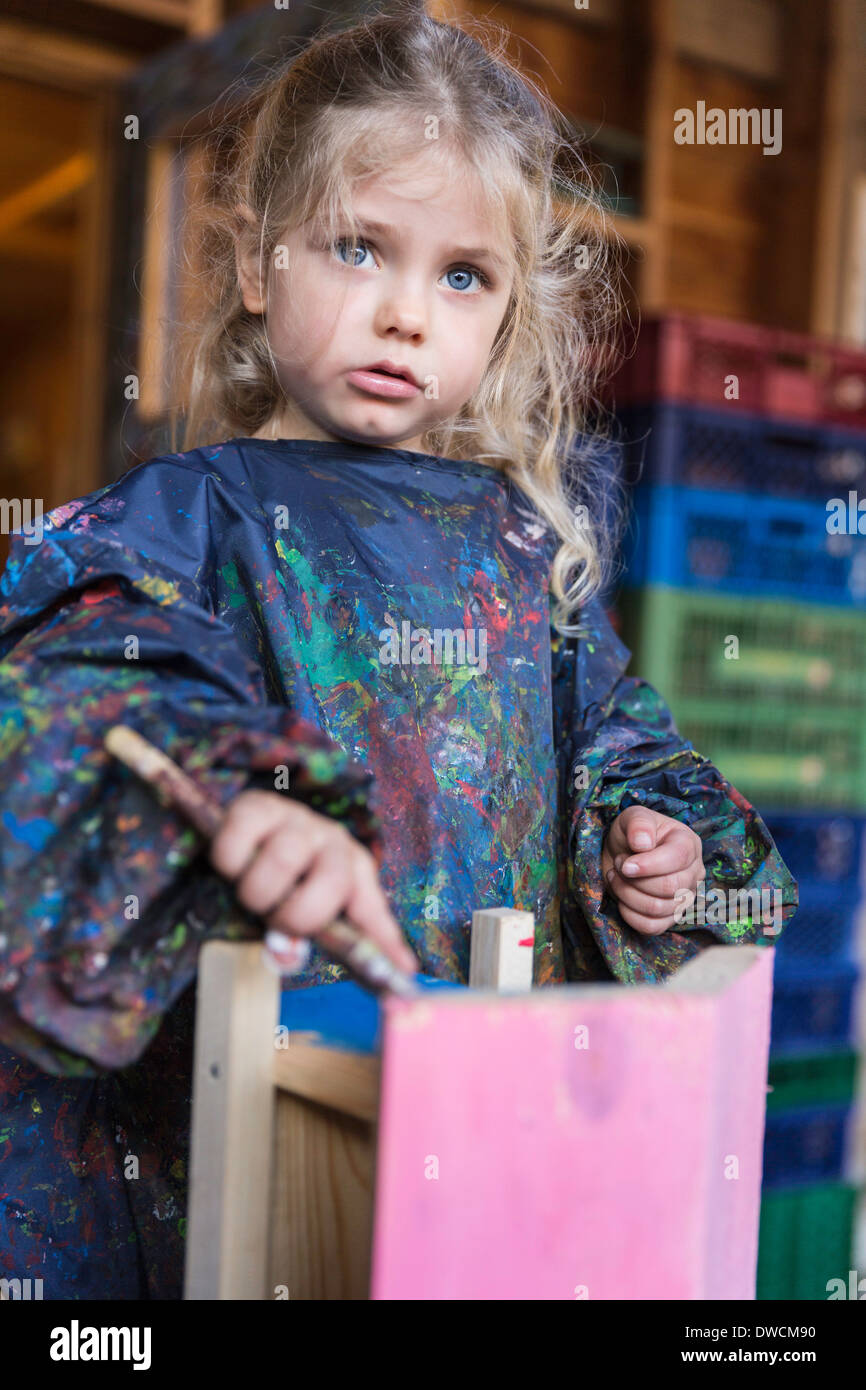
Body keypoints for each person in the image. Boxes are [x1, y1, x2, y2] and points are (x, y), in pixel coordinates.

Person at [0, 6, 797, 1300]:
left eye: (460, 275)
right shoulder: (183, 520)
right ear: (260, 262)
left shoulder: (522, 562)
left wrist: (648, 848)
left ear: (506, 313)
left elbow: (623, 752)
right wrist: (227, 793)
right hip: (230, 1145)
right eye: (358, 248)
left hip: (464, 1141)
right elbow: (75, 678)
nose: (403, 315)